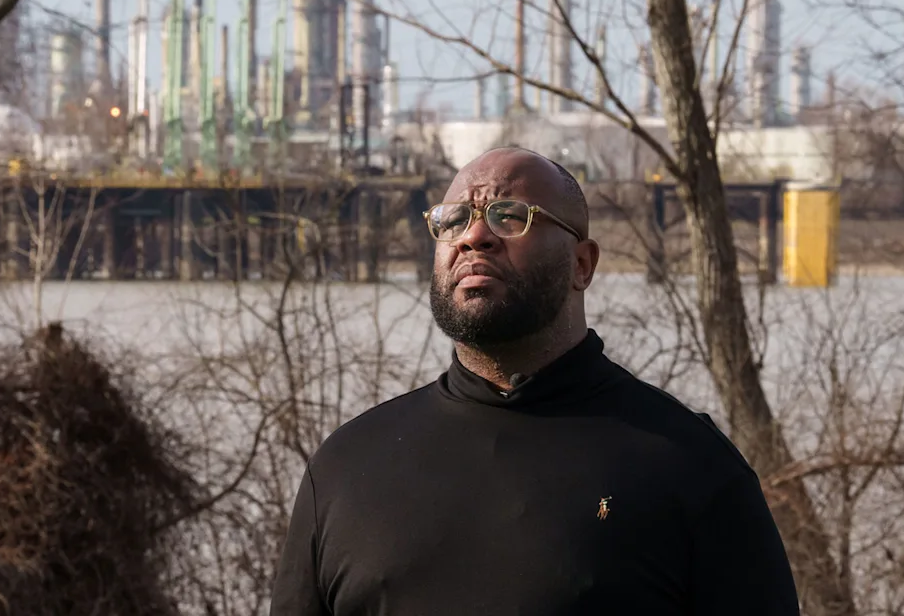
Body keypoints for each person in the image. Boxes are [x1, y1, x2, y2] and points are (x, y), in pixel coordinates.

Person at [269, 147, 800, 615]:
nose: (474, 236)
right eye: (453, 220)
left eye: (509, 216)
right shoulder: (346, 468)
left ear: (582, 265)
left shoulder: (689, 466)